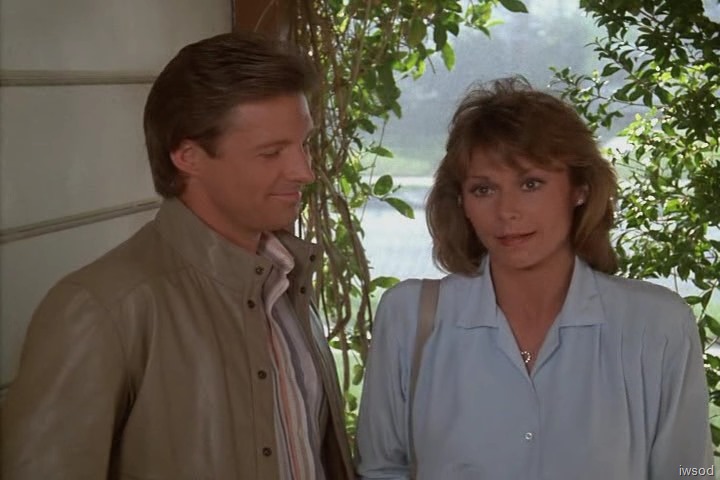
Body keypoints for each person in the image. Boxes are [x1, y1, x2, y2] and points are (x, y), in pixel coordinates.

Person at [1, 31, 354, 480]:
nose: (305, 171)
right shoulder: (101, 309)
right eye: (271, 153)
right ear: (188, 156)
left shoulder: (284, 278)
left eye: (304, 144)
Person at [355, 77, 713, 479]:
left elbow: (689, 472)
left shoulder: (656, 325)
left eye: (531, 184)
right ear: (462, 203)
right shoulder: (409, 318)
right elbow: (381, 470)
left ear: (579, 189)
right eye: (484, 189)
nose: (507, 211)